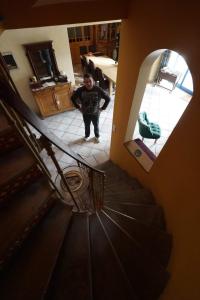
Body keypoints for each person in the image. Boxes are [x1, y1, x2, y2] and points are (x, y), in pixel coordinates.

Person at [71, 73, 110, 143]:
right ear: (84, 82)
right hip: (85, 113)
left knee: (96, 125)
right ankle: (87, 135)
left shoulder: (98, 89)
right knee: (87, 125)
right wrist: (78, 107)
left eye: (90, 81)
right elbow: (72, 98)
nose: (88, 83)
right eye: (86, 82)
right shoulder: (80, 90)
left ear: (93, 81)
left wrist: (102, 109)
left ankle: (97, 136)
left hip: (96, 113)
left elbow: (108, 99)